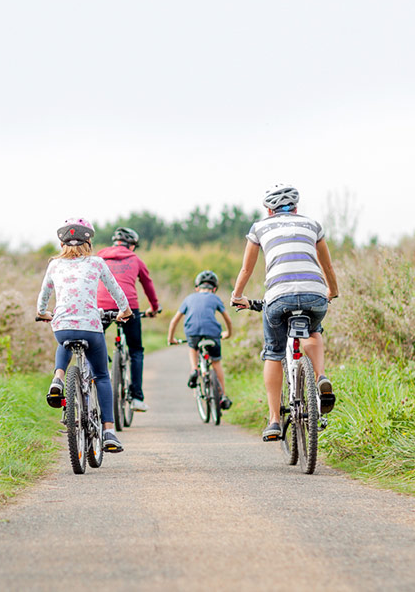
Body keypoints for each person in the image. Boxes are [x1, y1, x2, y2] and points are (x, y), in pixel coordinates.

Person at [231, 184, 339, 442]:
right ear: (296, 208)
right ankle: (321, 376)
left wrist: (237, 297)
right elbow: (327, 265)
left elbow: (246, 270)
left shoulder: (259, 227)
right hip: (314, 293)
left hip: (278, 297)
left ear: (269, 210)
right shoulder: (313, 225)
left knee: (273, 352)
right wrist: (332, 291)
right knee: (313, 330)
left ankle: (274, 420)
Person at [36, 218, 134, 453]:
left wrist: (42, 313)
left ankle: (58, 377)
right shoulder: (96, 263)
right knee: (101, 375)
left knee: (64, 339)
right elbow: (115, 290)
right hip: (90, 326)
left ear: (62, 243)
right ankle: (109, 431)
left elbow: (43, 295)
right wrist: (125, 311)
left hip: (62, 326)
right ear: (88, 241)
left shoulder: (54, 265)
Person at [95, 226, 161, 412]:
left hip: (101, 305)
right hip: (128, 307)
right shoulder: (136, 260)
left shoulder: (99, 257)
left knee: (94, 339)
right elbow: (148, 286)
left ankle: (101, 362)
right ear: (132, 246)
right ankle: (136, 397)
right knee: (136, 351)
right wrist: (154, 308)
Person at [165, 270, 234, 409]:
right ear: (214, 289)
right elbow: (227, 319)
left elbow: (174, 321)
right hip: (212, 333)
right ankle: (223, 395)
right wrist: (228, 333)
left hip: (193, 332)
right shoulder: (215, 298)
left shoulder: (189, 298)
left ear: (197, 288)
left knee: (193, 347)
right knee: (216, 362)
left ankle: (194, 369)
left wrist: (171, 338)